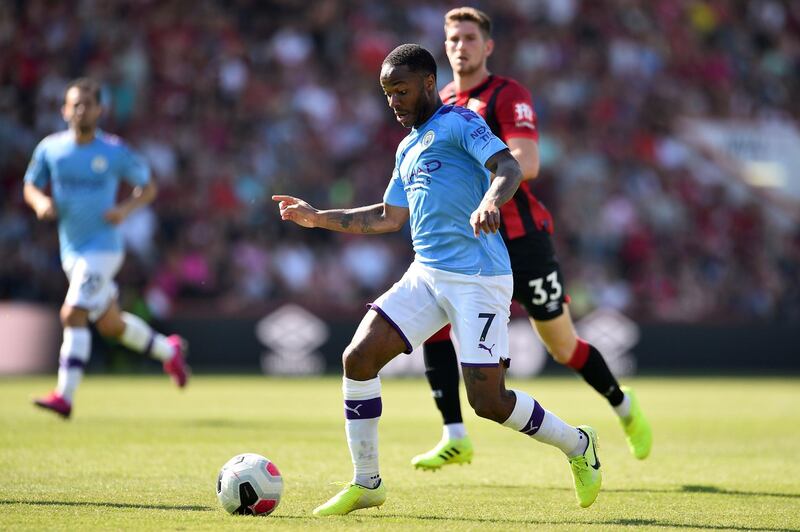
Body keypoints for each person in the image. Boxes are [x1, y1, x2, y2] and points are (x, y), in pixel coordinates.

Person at [274, 44, 602, 515]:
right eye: (387, 93)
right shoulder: (407, 146)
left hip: (479, 280)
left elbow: (508, 167)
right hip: (426, 274)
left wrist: (492, 200)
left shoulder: (461, 123)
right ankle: (367, 482)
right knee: (358, 358)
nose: (394, 102)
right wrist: (317, 217)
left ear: (430, 83)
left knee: (487, 402)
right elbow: (389, 216)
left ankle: (578, 443)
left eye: (401, 90)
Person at [410, 7, 652, 472]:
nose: (461, 46)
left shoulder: (506, 94)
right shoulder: (439, 102)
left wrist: (480, 177)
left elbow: (528, 160)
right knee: (435, 321)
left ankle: (623, 405)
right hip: (469, 243)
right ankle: (454, 434)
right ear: (445, 47)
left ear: (488, 46)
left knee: (562, 347)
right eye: (453, 39)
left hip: (520, 241)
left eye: (469, 37)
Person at [24, 78, 189, 419]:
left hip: (103, 249)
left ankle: (64, 396)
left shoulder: (113, 151)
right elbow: (31, 185)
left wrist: (124, 210)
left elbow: (148, 186)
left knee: (73, 313)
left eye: (88, 104)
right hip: (71, 250)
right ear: (64, 110)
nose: (82, 110)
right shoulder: (51, 149)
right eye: (76, 104)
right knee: (111, 326)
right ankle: (168, 351)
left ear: (100, 110)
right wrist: (40, 202)